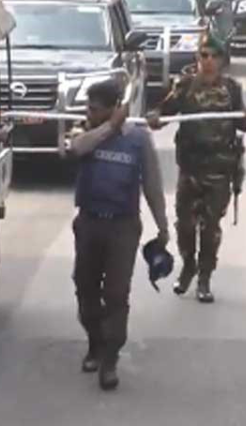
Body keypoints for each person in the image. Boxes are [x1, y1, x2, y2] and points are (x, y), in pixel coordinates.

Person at [59, 80, 169, 391]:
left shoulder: (137, 139)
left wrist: (163, 226)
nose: (88, 112)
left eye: (95, 108)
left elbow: (152, 184)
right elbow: (77, 148)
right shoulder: (84, 131)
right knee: (85, 286)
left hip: (123, 226)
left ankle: (109, 359)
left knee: (117, 294)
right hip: (90, 223)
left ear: (112, 107)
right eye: (87, 108)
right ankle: (95, 342)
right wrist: (108, 126)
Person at [149, 35, 246, 302]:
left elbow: (240, 125)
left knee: (210, 228)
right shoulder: (185, 86)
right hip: (190, 170)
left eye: (212, 56)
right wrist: (155, 118)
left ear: (221, 61)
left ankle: (205, 278)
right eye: (202, 56)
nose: (207, 61)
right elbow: (163, 114)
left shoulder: (231, 88)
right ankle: (188, 266)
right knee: (185, 226)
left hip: (219, 171)